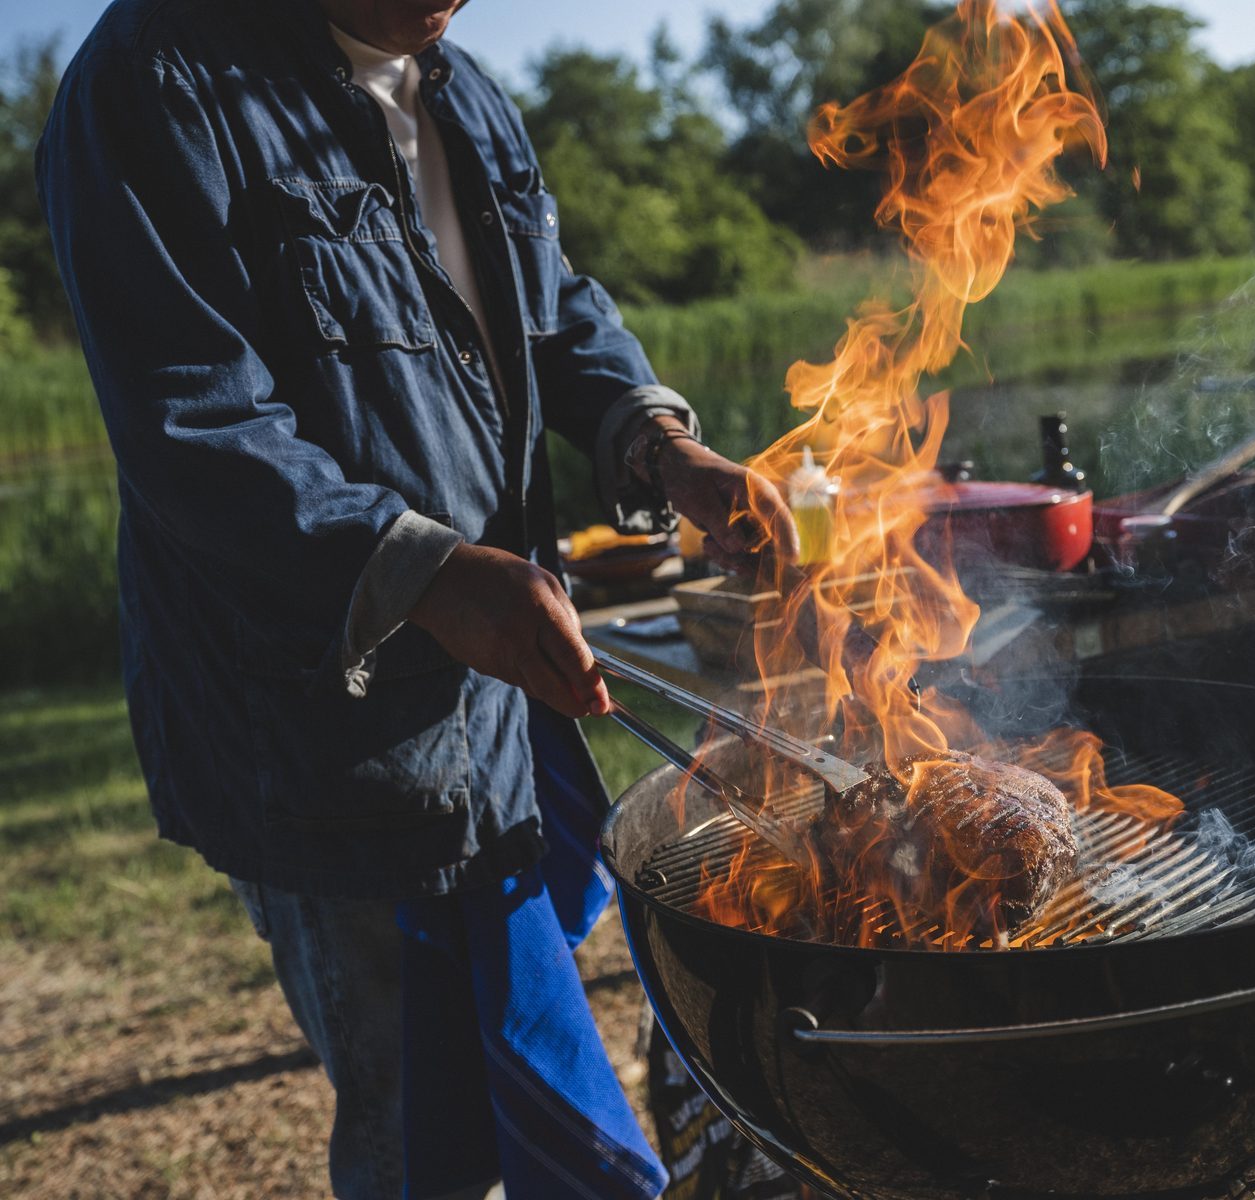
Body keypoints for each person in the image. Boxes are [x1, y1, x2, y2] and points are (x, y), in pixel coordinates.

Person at [37, 0, 797, 1196]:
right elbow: (194, 420)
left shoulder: (464, 94)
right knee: (416, 1128)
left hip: (495, 696)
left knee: (520, 1038)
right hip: (318, 726)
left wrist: (658, 445)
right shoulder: (158, 74)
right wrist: (428, 569)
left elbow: (554, 313)